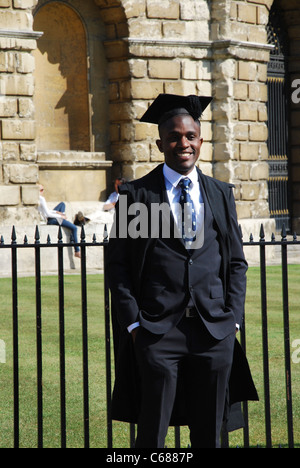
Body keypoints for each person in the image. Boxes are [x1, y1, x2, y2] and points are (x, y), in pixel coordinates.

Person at [107, 94, 258, 448]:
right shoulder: (141, 196)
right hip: (159, 333)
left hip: (212, 331)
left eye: (190, 136)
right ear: (160, 143)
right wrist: (134, 325)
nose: (183, 143)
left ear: (201, 141)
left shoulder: (220, 194)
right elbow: (119, 266)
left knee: (209, 434)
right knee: (152, 435)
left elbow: (236, 262)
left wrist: (232, 319)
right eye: (174, 137)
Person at [38, 185, 81, 258]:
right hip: (51, 220)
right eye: (41, 190)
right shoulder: (41, 199)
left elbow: (47, 211)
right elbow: (48, 214)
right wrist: (61, 216)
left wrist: (57, 212)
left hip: (51, 218)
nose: (43, 191)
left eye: (43, 189)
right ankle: (77, 251)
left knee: (62, 204)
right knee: (74, 228)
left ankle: (63, 219)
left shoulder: (36, 199)